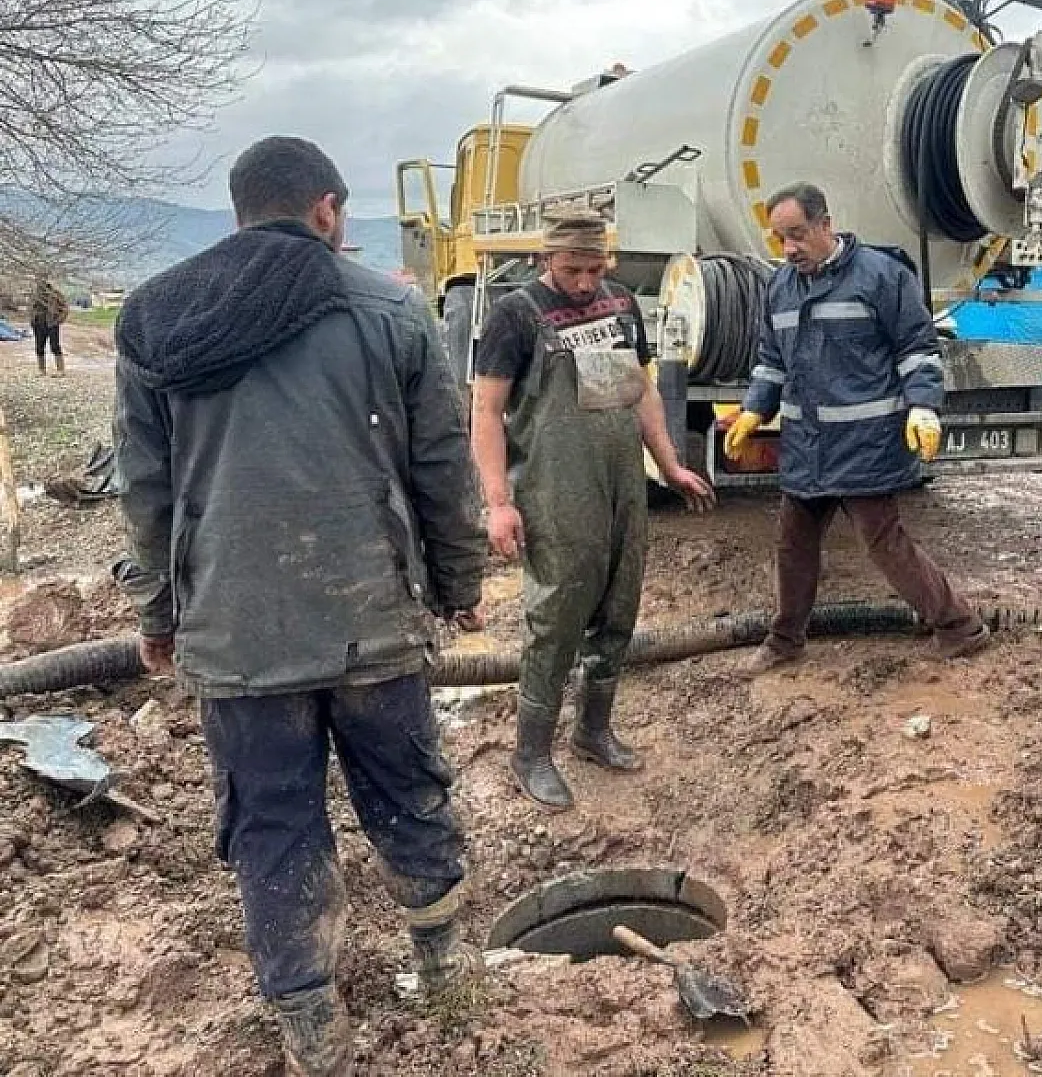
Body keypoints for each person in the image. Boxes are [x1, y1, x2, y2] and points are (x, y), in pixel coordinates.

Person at [112, 136, 486, 1075]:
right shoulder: (388, 310)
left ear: (240, 209)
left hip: (237, 631)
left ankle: (311, 1019)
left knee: (272, 821)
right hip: (371, 617)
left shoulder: (155, 317)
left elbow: (145, 488)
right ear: (326, 209)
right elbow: (442, 467)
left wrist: (158, 614)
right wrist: (458, 585)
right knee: (405, 789)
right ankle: (444, 963)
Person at [472, 210, 714, 811]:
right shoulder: (515, 315)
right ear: (544, 260)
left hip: (622, 483)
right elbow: (485, 413)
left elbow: (642, 390)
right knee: (557, 616)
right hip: (555, 488)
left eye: (594, 269)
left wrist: (669, 463)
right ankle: (531, 753)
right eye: (571, 270)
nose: (584, 283)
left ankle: (593, 730)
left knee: (618, 607)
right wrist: (497, 503)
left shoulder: (621, 304)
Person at [723, 182, 989, 673]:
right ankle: (785, 640)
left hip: (864, 444)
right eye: (780, 238)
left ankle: (960, 627)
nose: (789, 248)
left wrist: (923, 406)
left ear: (825, 224)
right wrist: (755, 409)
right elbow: (771, 361)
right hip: (807, 446)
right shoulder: (781, 287)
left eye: (797, 234)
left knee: (883, 543)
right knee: (792, 543)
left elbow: (917, 349)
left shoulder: (881, 276)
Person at [30, 276, 69, 377]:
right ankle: (41, 370)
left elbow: (65, 308)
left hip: (52, 324)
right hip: (39, 324)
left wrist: (58, 320)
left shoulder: (56, 294)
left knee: (55, 346)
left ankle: (60, 370)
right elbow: (31, 309)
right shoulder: (35, 295)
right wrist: (33, 321)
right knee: (39, 347)